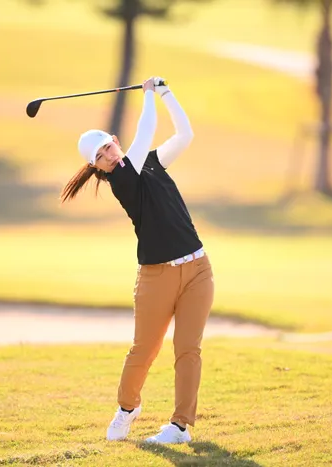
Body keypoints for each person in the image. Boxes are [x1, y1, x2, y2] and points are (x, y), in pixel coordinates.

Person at [61, 76, 215, 444]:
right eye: (101, 157)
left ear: (115, 141)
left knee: (188, 349)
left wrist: (165, 92)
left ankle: (180, 427)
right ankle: (127, 409)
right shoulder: (122, 180)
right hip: (156, 276)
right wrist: (148, 95)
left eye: (108, 147)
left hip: (198, 269)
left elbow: (185, 135)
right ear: (98, 167)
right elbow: (145, 133)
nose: (109, 155)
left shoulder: (153, 163)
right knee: (144, 349)